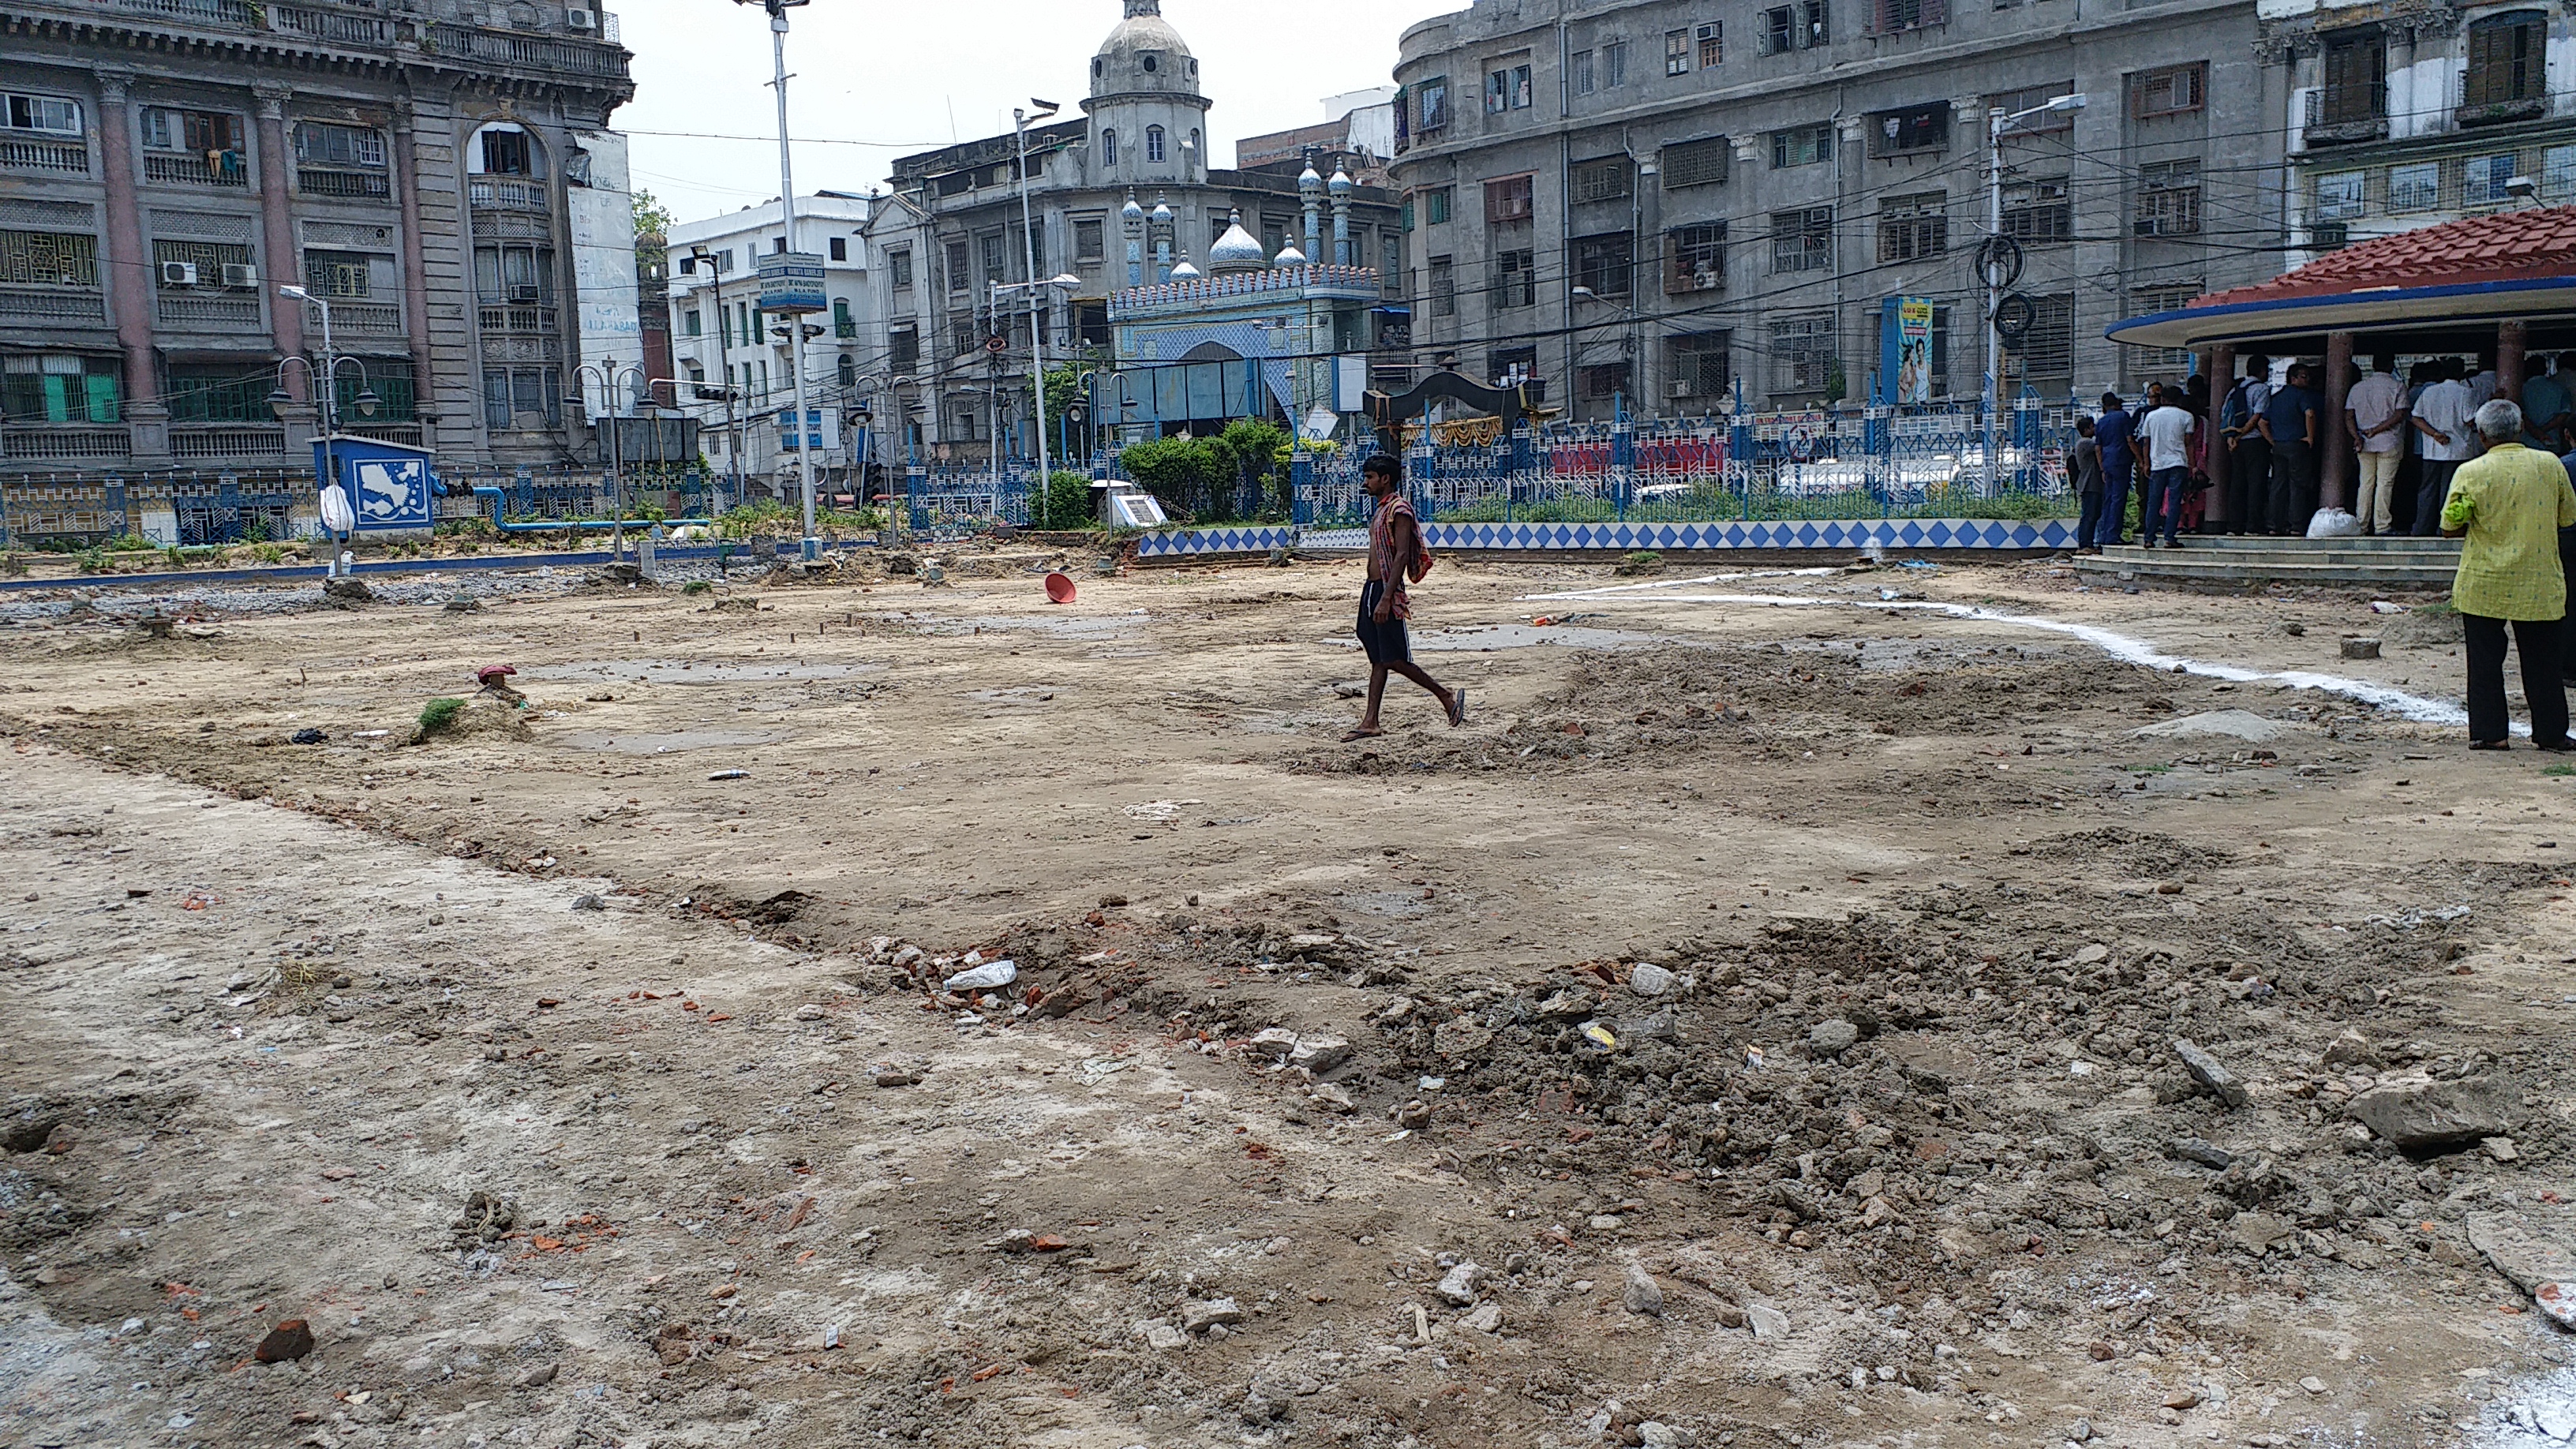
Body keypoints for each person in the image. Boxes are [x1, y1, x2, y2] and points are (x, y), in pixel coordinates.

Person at [2442, 399, 2576, 750]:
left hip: (2484, 581)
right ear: (2519, 430)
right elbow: (2567, 519)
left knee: (2485, 662)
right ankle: (2551, 734)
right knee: (2543, 663)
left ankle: (2490, 734)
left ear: (2483, 435)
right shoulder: (2550, 465)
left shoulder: (2470, 472)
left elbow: (2449, 526)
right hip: (2539, 579)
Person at [1343, 453, 1466, 741]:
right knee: (1378, 655)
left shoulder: (1399, 509)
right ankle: (1370, 720)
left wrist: (1387, 597)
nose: (1366, 483)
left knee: (1394, 658)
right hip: (1372, 588)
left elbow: (1400, 555)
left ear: (1385, 479)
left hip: (1385, 589)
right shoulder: (1382, 509)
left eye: (1370, 478)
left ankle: (1445, 695)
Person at [2413, 358, 2480, 537]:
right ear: (2462, 373)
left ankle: (2421, 529)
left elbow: (2416, 418)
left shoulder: (2429, 392)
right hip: (2457, 449)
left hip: (2432, 449)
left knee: (2427, 491)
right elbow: (2469, 419)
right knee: (2450, 492)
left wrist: (2434, 434)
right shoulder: (2466, 393)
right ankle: (2445, 528)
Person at [2346, 352, 2408, 536]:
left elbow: (2348, 415)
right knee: (2384, 484)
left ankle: (2362, 524)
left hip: (2364, 442)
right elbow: (2399, 415)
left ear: (2373, 365)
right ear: (2390, 366)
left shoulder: (2358, 388)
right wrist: (2378, 429)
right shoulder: (2397, 387)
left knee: (2365, 483)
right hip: (2389, 441)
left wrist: (2355, 436)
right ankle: (2382, 525)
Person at [2258, 362, 2319, 535]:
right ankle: (2296, 526)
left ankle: (2273, 525)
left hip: (2279, 446)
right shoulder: (2301, 395)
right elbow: (2310, 414)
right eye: (2304, 376)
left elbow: (2262, 422)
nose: (2307, 380)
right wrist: (2310, 436)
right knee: (2297, 486)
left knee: (2278, 486)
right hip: (2297, 444)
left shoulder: (2277, 397)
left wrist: (2272, 442)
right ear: (2293, 378)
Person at [2137, 385, 2197, 548]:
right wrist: (2193, 465)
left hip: (2157, 464)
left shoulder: (2151, 416)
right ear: (2179, 400)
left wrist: (2146, 463)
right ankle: (2169, 538)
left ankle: (2149, 538)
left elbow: (2146, 442)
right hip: (2178, 463)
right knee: (2174, 501)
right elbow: (2189, 443)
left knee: (2153, 502)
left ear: (2162, 399)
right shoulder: (2187, 416)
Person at [2220, 354, 2272, 537]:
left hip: (2236, 443)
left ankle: (2234, 526)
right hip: (2256, 441)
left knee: (2237, 483)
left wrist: (2233, 437)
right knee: (2256, 483)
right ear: (2263, 370)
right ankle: (2253, 525)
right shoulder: (2262, 389)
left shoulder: (2234, 389)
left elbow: (2225, 414)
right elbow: (2258, 417)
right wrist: (2243, 432)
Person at [2093, 391, 2136, 549]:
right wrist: (2140, 457)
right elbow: (2130, 440)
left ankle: (2103, 535)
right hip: (2121, 461)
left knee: (2108, 499)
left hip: (2107, 463)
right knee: (2118, 499)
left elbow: (2098, 448)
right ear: (2117, 404)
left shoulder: (2101, 422)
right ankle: (2113, 534)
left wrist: (2102, 469)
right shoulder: (2123, 417)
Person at [2523, 351, 2576, 453]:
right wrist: (2543, 430)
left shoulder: (2521, 390)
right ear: (2545, 369)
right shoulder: (2559, 388)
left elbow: (2520, 413)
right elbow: (2564, 414)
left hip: (2527, 443)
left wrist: (2536, 432)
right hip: (2552, 441)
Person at [2071, 414, 2104, 554]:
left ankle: (2088, 543)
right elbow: (2100, 446)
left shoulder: (2085, 443)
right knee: (2088, 516)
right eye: (2093, 426)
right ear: (2087, 429)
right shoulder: (2085, 443)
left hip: (2093, 485)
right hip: (2088, 485)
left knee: (2093, 515)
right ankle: (2084, 544)